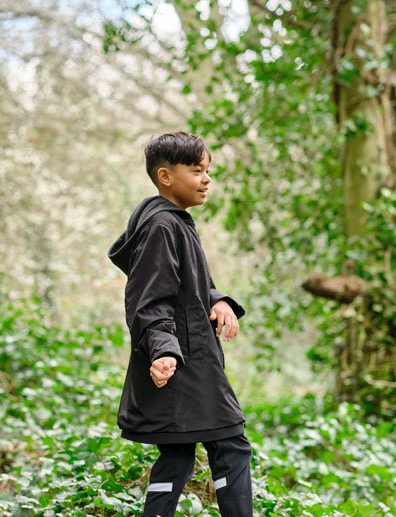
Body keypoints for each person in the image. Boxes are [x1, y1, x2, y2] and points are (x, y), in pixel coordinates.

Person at [107, 132, 252, 517]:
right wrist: (164, 350)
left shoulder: (172, 223)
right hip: (183, 361)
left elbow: (185, 284)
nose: (206, 179)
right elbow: (150, 300)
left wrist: (216, 298)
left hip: (185, 355)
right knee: (230, 446)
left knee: (177, 453)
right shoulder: (162, 227)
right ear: (165, 176)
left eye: (207, 171)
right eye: (196, 171)